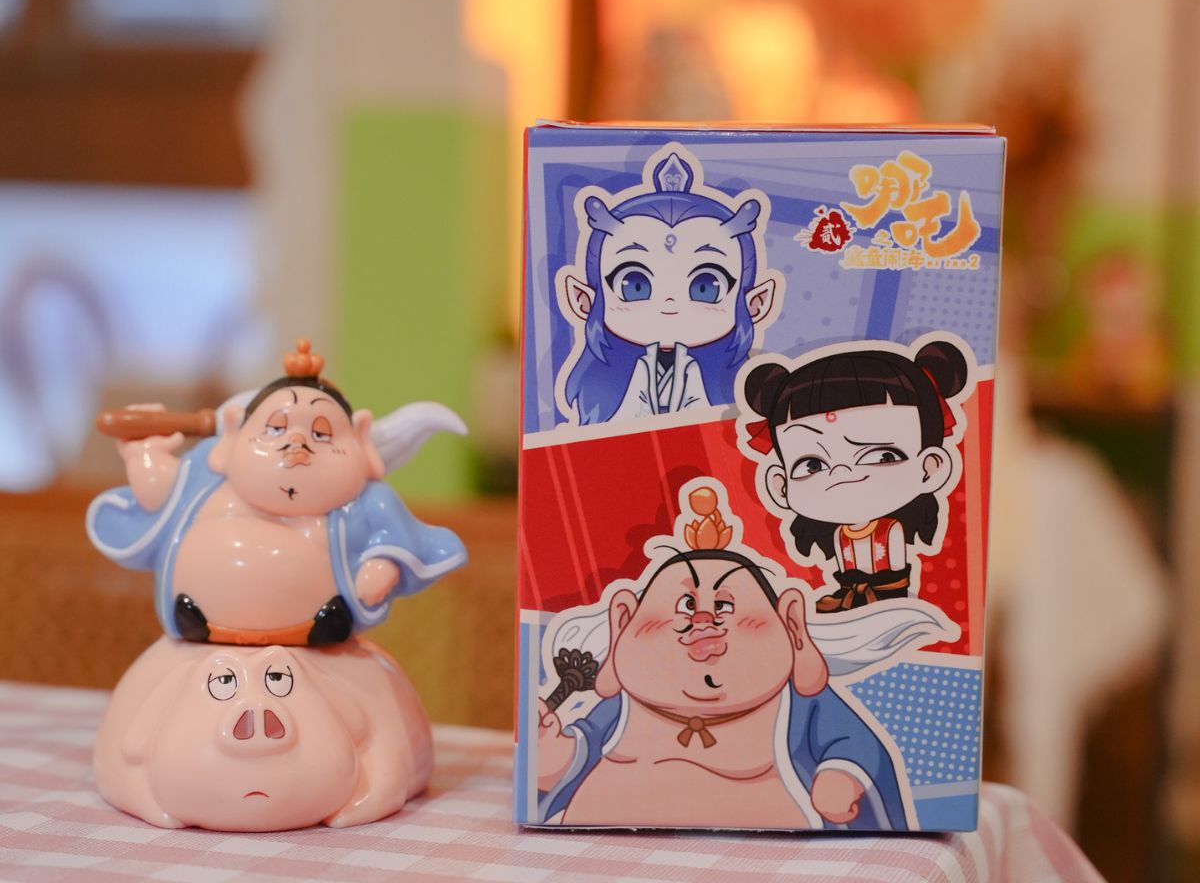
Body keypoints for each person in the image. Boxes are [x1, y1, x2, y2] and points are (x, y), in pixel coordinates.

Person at [535, 485, 915, 829]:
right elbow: (584, 748)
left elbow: (853, 743)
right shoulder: (628, 702)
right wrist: (553, 755)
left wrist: (841, 776)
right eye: (685, 605)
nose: (703, 621)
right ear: (622, 623)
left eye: (725, 605)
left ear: (792, 626)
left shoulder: (797, 706)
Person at [87, 340, 465, 645]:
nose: (297, 443)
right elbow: (160, 496)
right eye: (275, 428)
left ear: (361, 441)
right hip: (198, 627)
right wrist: (144, 455)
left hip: (321, 630)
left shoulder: (363, 503)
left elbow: (391, 538)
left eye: (321, 432)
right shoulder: (207, 471)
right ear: (232, 434)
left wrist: (382, 566)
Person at [739, 337, 970, 612]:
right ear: (781, 486)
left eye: (883, 456)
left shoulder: (890, 530)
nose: (842, 474)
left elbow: (896, 572)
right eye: (812, 465)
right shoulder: (840, 535)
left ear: (930, 468)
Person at [557, 147, 780, 424]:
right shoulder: (605, 387)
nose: (669, 306)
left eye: (706, 287)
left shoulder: (741, 391)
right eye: (634, 286)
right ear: (583, 300)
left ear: (756, 303)